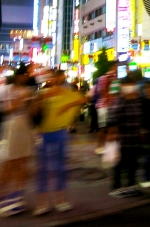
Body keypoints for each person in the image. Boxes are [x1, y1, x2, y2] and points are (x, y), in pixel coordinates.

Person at [33, 70, 86, 215]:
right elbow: (33, 114)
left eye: (53, 77)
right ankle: (42, 203)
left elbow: (82, 99)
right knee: (43, 169)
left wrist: (66, 107)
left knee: (60, 166)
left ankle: (60, 200)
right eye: (48, 77)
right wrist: (37, 101)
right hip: (42, 134)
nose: (51, 80)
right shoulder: (39, 94)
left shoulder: (65, 92)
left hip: (60, 132)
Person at [0, 65, 35, 217]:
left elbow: (31, 112)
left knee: (23, 162)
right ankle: (2, 198)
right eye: (25, 75)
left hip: (24, 127)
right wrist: (21, 100)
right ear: (19, 76)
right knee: (9, 163)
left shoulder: (27, 91)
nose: (27, 77)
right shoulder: (6, 89)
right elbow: (6, 110)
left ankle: (18, 197)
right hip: (12, 127)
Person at [107, 74, 143, 197]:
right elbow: (112, 118)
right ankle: (116, 187)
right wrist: (112, 133)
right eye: (128, 85)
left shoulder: (136, 99)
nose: (131, 88)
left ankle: (131, 185)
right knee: (120, 163)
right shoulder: (120, 100)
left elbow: (140, 116)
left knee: (133, 163)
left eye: (132, 85)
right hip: (122, 138)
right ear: (122, 87)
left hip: (134, 137)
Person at [95, 61, 119, 155]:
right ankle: (107, 147)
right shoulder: (113, 77)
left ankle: (100, 147)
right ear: (114, 66)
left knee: (103, 128)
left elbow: (100, 91)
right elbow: (114, 93)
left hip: (101, 106)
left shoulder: (102, 78)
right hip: (109, 106)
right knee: (111, 128)